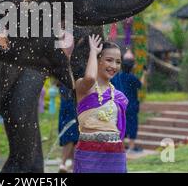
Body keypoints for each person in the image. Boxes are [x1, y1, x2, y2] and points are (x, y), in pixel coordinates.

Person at [62, 33, 128, 173]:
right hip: (88, 151)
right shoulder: (83, 87)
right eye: (109, 60)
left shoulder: (119, 97)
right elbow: (91, 77)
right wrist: (93, 51)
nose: (114, 66)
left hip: (115, 153)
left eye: (118, 62)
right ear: (97, 61)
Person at [111, 50, 142, 153]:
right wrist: (145, 74)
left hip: (120, 106)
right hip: (132, 106)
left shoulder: (116, 77)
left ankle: (122, 147)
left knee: (121, 125)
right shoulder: (133, 78)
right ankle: (131, 148)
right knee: (132, 125)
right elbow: (141, 85)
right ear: (132, 66)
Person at [58, 82, 79, 173]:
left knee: (73, 135)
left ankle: (70, 163)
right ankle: (65, 162)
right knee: (71, 134)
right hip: (71, 106)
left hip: (68, 106)